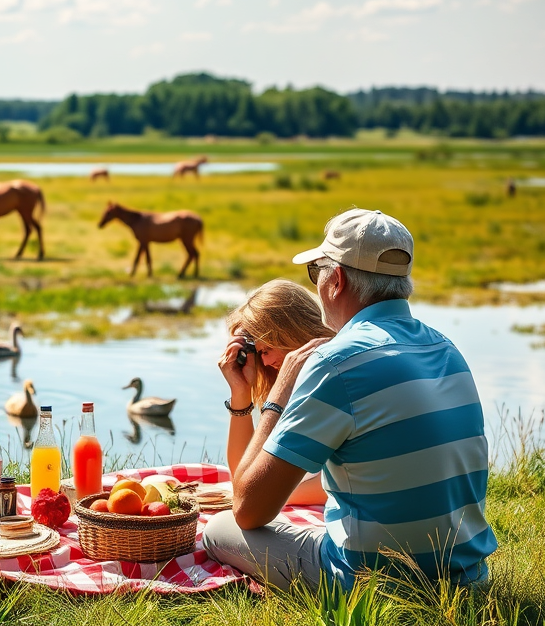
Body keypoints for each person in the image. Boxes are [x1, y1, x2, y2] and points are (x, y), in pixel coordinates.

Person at [203, 208, 497, 594]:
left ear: (336, 280)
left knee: (217, 529)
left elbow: (247, 510)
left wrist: (276, 397)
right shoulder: (446, 347)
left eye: (316, 272)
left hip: (377, 587)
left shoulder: (336, 363)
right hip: (467, 581)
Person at [219, 280, 334, 505]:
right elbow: (243, 476)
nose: (267, 361)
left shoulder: (332, 376)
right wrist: (241, 392)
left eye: (268, 349)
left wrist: (265, 496)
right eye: (259, 353)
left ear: (290, 332)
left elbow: (338, 481)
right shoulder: (292, 389)